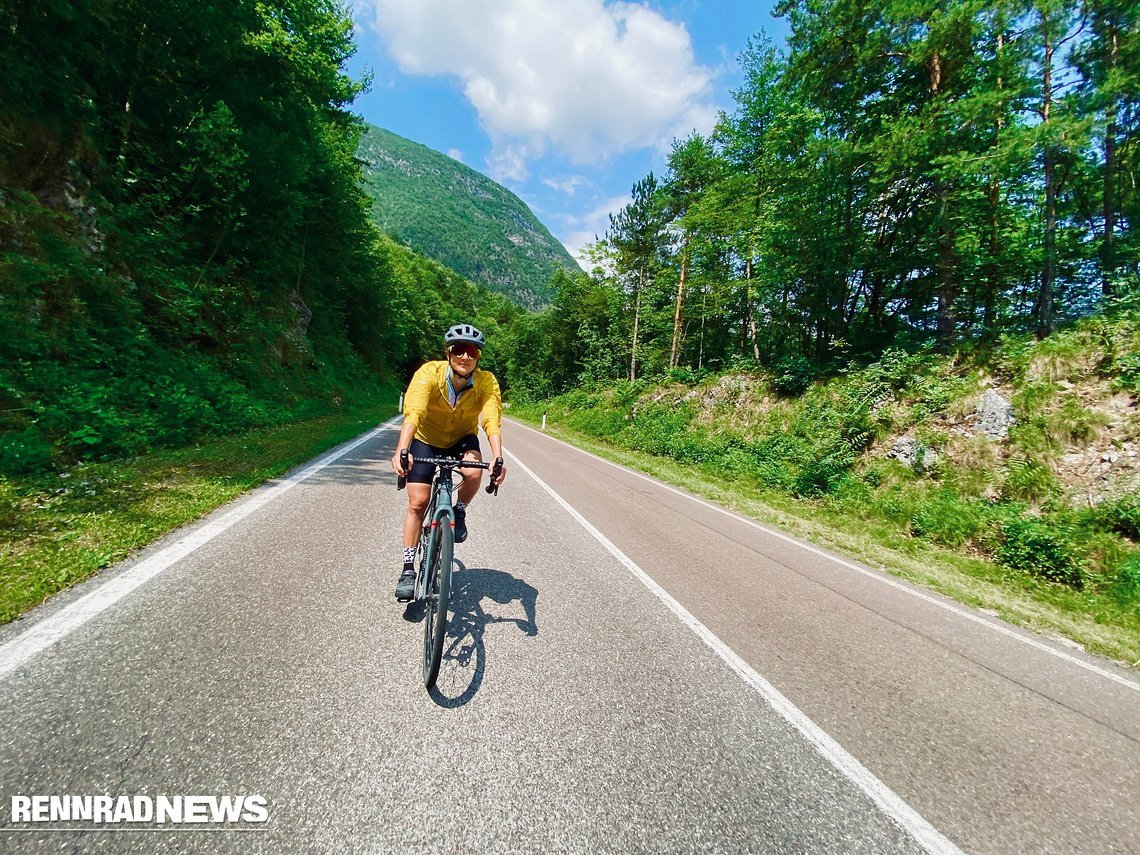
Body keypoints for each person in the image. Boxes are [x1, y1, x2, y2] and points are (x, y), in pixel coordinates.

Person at [390, 323, 507, 601]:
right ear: (448, 353)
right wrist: (401, 450)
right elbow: (414, 411)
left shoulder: (487, 381)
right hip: (425, 439)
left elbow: (491, 420)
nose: (465, 357)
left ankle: (460, 510)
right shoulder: (428, 373)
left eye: (472, 351)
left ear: (478, 357)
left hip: (462, 439)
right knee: (418, 502)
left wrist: (498, 457)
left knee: (473, 472)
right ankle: (408, 569)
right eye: (459, 350)